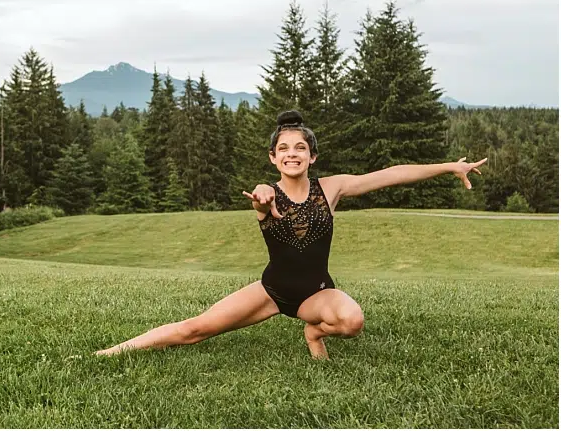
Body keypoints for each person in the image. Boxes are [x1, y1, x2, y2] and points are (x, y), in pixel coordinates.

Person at [95, 110, 487, 359]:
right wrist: (263, 197)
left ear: (312, 157)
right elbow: (262, 201)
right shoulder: (265, 193)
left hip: (316, 293)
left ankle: (314, 333)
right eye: (283, 148)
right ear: (273, 157)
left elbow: (390, 174)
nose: (292, 153)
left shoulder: (330, 188)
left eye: (300, 147)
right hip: (270, 291)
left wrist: (449, 166)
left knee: (352, 322)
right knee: (194, 330)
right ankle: (108, 354)